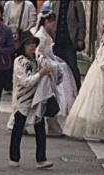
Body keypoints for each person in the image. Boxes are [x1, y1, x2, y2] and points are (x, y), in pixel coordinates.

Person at [8, 31, 54, 168]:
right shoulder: (19, 61)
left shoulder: (38, 60)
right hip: (22, 99)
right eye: (28, 44)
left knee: (40, 128)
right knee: (18, 128)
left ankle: (41, 158)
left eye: (33, 43)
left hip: (36, 99)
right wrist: (40, 74)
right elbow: (25, 82)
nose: (32, 46)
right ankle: (14, 157)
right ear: (23, 46)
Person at [33, 3, 77, 135]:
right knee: (43, 98)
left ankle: (53, 125)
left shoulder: (46, 35)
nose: (53, 25)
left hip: (49, 67)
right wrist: (50, 64)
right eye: (51, 22)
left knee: (51, 97)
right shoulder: (41, 36)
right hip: (44, 69)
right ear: (46, 22)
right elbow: (38, 54)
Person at [51, 0, 85, 90]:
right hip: (56, 41)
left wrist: (80, 38)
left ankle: (77, 88)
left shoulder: (76, 3)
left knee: (72, 66)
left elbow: (82, 21)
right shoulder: (55, 3)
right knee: (56, 66)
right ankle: (58, 89)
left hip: (70, 41)